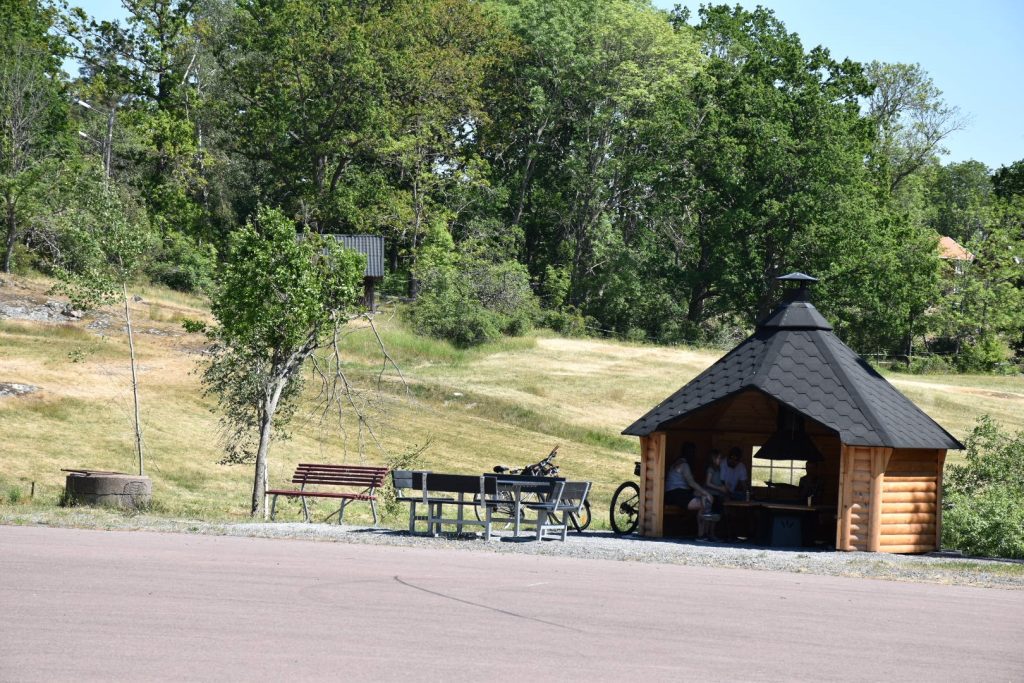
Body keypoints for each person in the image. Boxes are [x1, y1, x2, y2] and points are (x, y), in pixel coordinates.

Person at [665, 442, 715, 540]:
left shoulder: (679, 462)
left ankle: (705, 533)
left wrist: (704, 493)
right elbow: (691, 483)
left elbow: (690, 485)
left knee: (705, 499)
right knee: (704, 503)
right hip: (676, 494)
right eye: (693, 453)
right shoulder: (684, 465)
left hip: (678, 493)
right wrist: (706, 493)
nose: (694, 455)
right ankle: (701, 535)